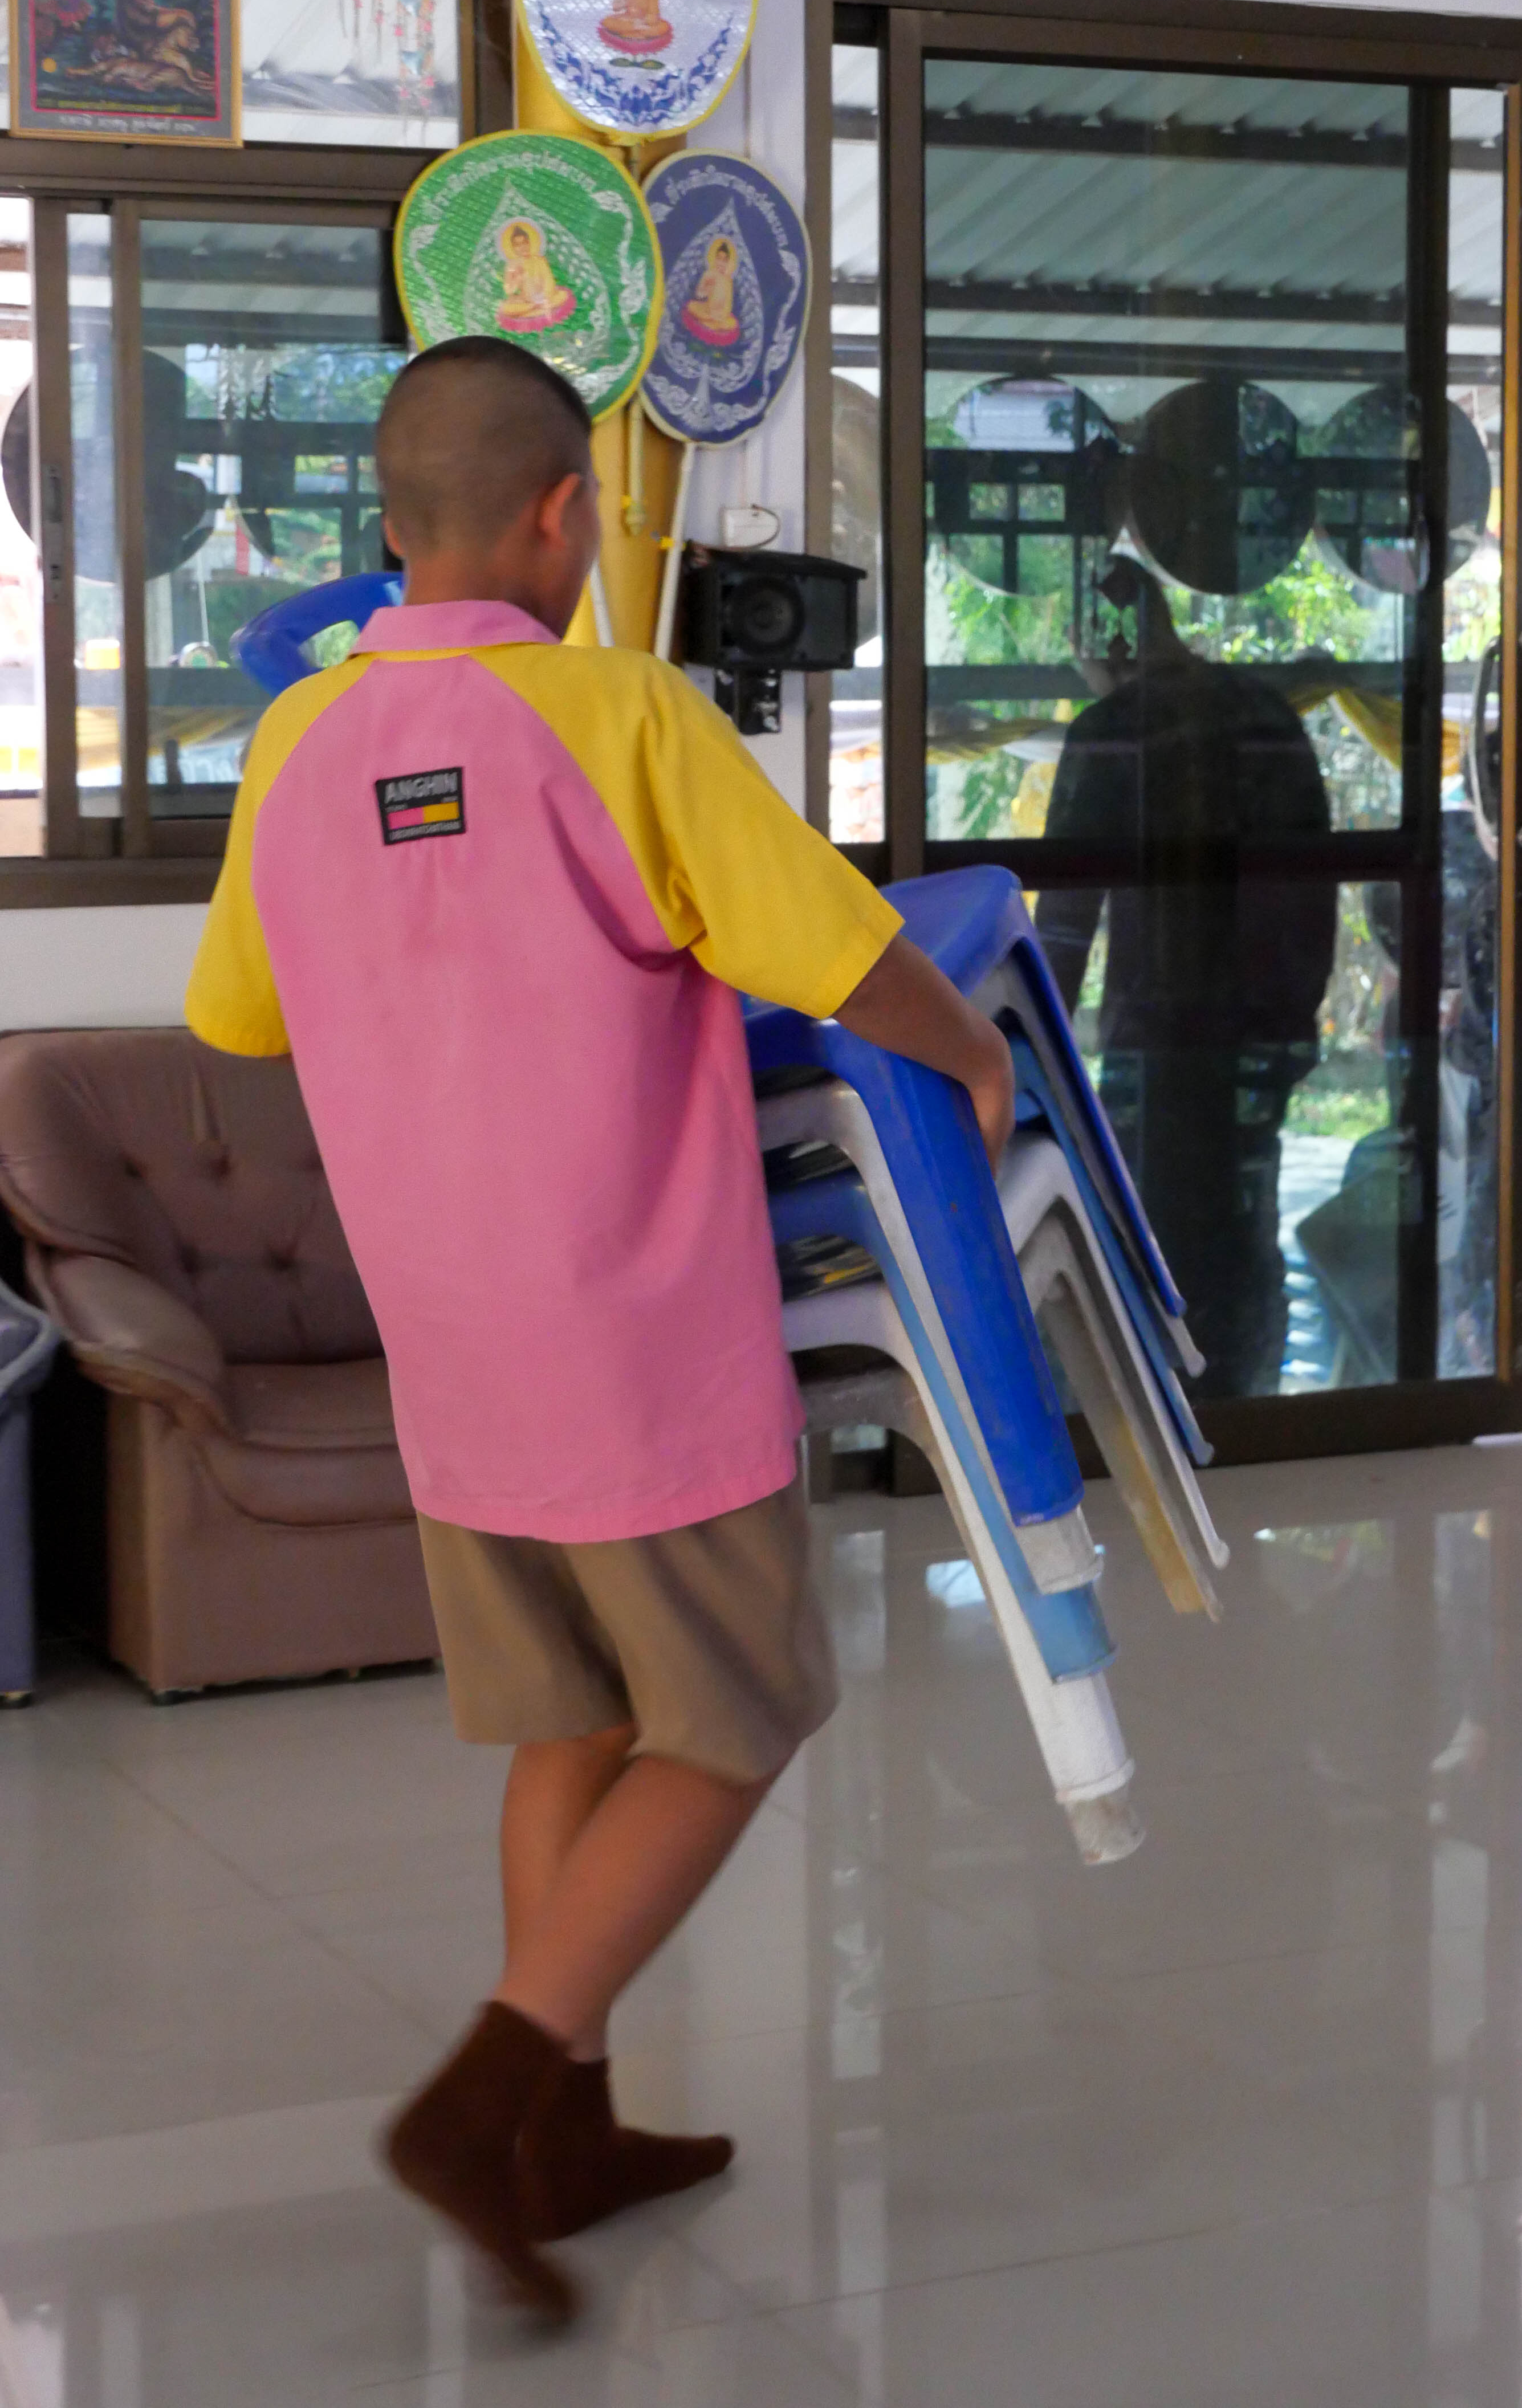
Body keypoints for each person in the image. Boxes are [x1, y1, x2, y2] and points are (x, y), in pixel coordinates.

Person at [184, 337, 1012, 2321]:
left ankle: (566, 2132)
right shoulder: (624, 714)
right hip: (635, 1334)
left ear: (393, 529)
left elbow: (238, 1016)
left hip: (449, 1338)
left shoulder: (296, 748)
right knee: (741, 1712)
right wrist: (973, 1055)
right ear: (566, 516)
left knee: (575, 1718)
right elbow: (833, 945)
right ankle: (486, 2094)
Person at [1035, 556, 1335, 1400]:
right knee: (1245, 1225)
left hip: (1156, 1045)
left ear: (1105, 641)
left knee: (1152, 1233)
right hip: (1261, 1038)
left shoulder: (1111, 731)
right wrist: (1294, 1027)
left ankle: (1166, 1407)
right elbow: (1318, 890)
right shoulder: (1265, 715)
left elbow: (1063, 924)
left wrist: (1030, 1055)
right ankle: (1247, 1403)